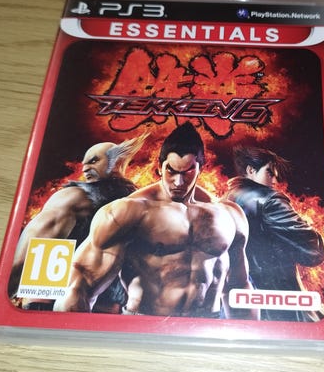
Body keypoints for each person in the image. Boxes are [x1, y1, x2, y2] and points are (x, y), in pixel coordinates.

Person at [54, 123, 257, 320]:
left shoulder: (229, 215)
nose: (178, 182)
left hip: (205, 325)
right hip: (143, 325)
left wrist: (249, 337)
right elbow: (79, 285)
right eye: (171, 171)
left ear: (200, 169)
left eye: (187, 172)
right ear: (160, 167)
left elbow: (238, 287)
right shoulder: (128, 212)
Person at [8, 133, 148, 311]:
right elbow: (27, 256)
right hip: (55, 306)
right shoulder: (74, 197)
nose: (85, 169)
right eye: (84, 164)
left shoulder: (139, 204)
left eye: (94, 161)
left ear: (117, 162)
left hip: (108, 310)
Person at [226, 146, 324, 321]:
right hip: (282, 305)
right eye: (270, 173)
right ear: (251, 170)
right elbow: (313, 252)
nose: (275, 179)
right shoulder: (270, 200)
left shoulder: (227, 199)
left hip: (242, 306)